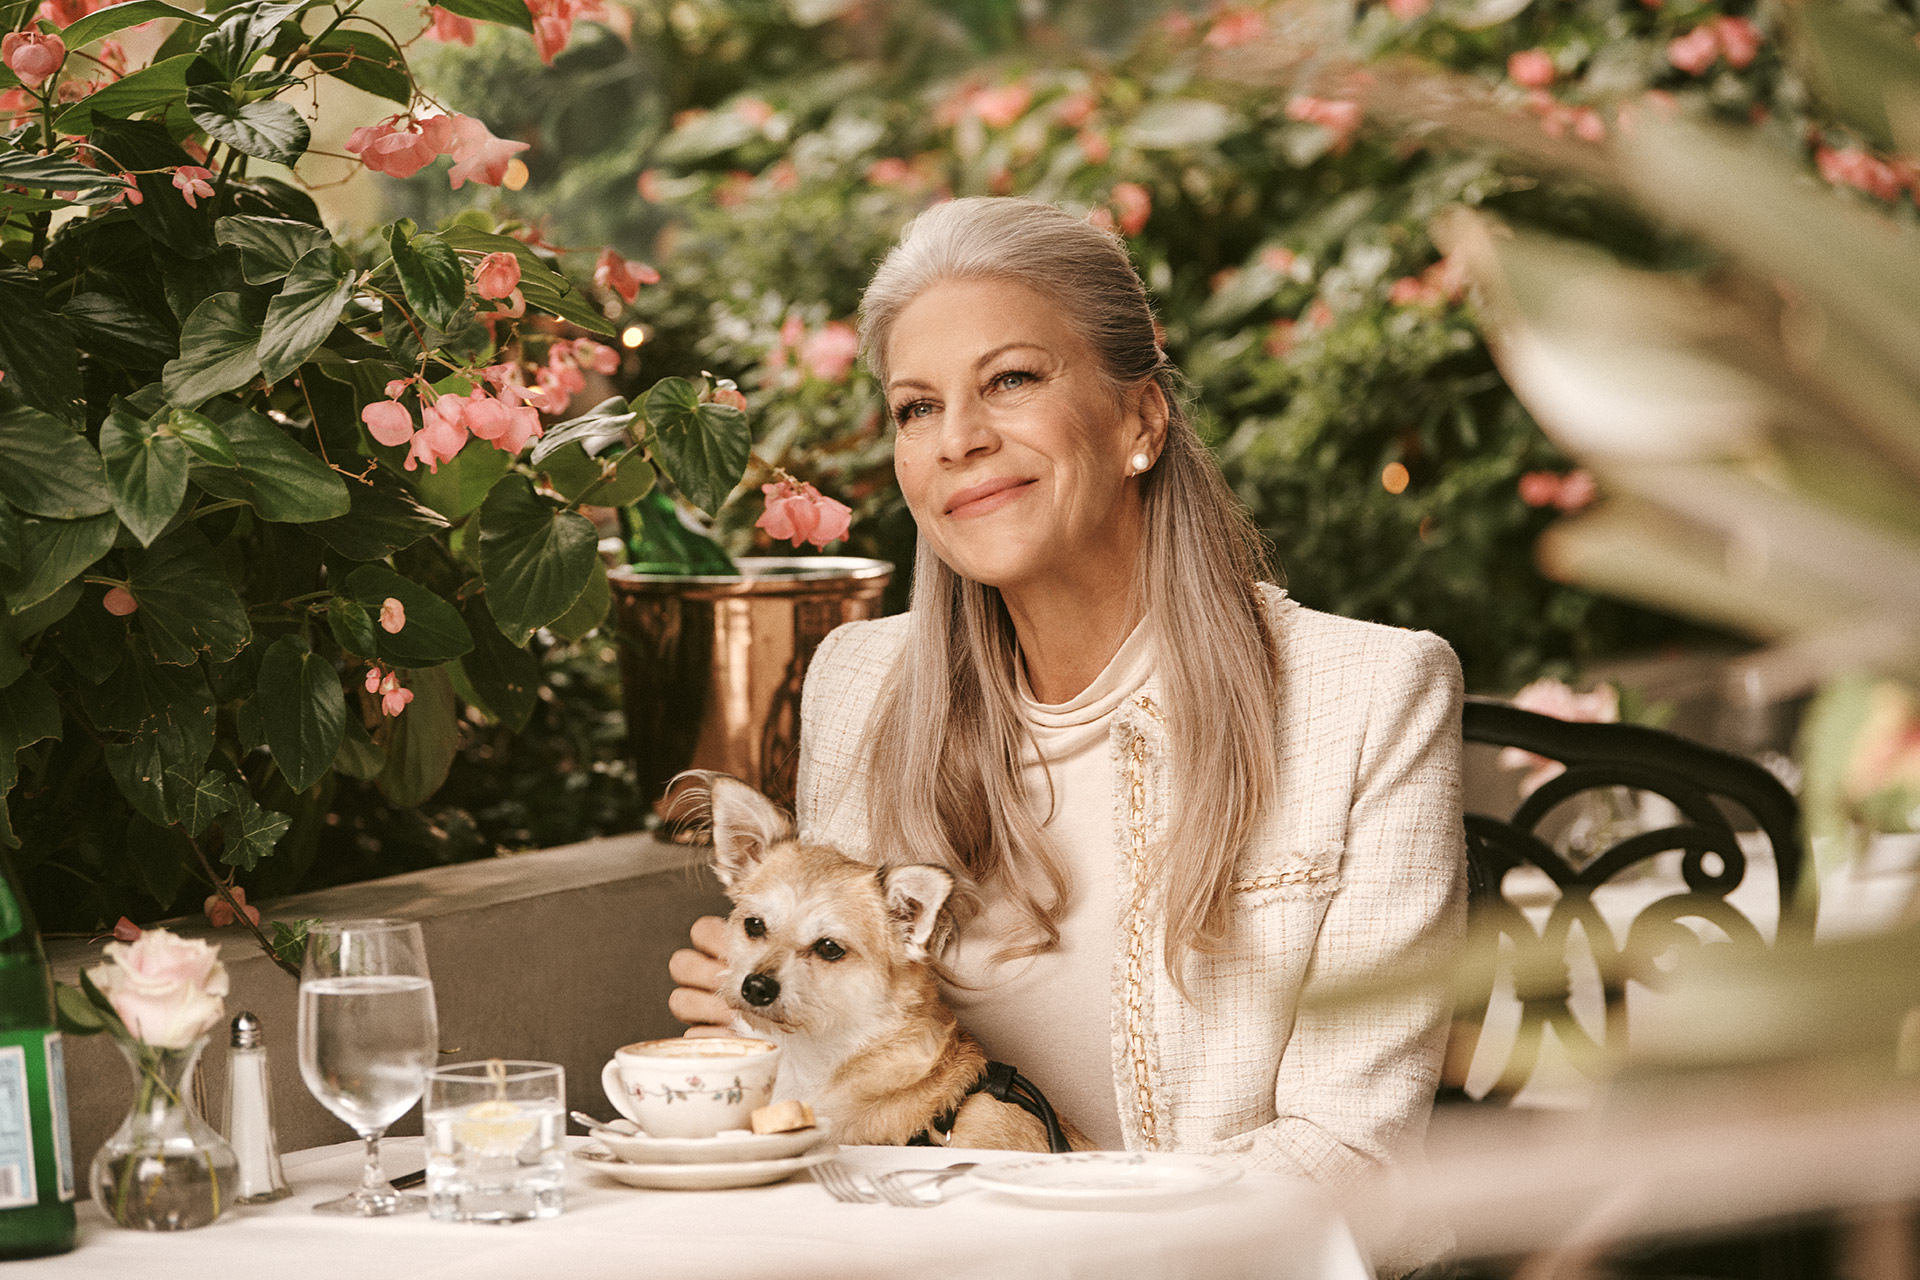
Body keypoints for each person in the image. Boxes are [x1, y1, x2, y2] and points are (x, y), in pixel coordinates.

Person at [669, 195, 1465, 1192]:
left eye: (1008, 379)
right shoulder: (859, 682)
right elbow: (843, 1114)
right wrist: (765, 1025)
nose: (957, 437)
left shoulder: (1368, 696)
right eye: (916, 405)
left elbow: (1351, 1157)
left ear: (1139, 417)